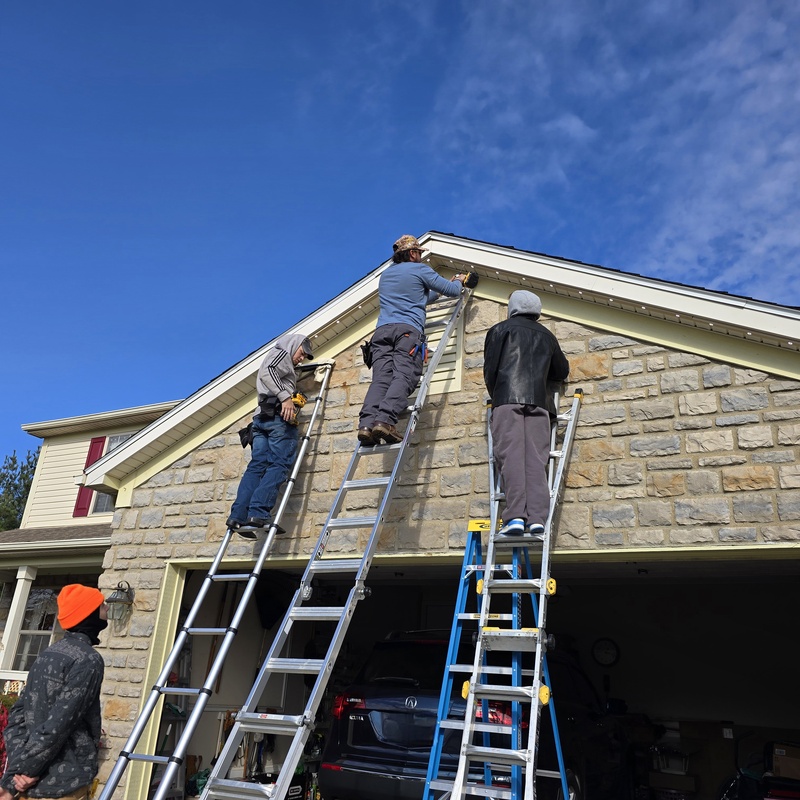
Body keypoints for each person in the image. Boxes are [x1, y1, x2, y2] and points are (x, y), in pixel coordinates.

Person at [358, 235, 472, 445]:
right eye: (419, 253)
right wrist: (458, 279)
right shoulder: (420, 270)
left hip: (381, 333)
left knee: (381, 380)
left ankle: (366, 426)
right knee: (405, 375)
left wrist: (433, 296)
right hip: (406, 332)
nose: (421, 257)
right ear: (412, 253)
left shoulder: (386, 275)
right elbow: (454, 291)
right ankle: (385, 421)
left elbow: (415, 299)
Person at [0, 585, 108, 800]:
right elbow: (59, 724)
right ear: (88, 613)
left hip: (30, 784)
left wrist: (16, 775)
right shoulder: (88, 660)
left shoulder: (47, 654)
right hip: (63, 782)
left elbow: (17, 717)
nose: (106, 607)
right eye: (101, 604)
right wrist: (26, 772)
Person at [483, 290, 570, 536]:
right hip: (540, 404)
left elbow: (490, 371)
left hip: (507, 400)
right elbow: (561, 371)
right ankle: (537, 519)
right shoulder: (547, 336)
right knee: (536, 459)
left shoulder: (499, 330)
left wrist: (499, 394)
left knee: (511, 457)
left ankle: (515, 518)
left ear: (513, 308)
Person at [227, 332, 313, 538]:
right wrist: (286, 398)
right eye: (302, 353)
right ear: (294, 345)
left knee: (257, 467)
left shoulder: (284, 359)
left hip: (262, 420)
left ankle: (238, 516)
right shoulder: (281, 353)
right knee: (279, 464)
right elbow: (269, 371)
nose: (301, 358)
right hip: (277, 422)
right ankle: (258, 513)